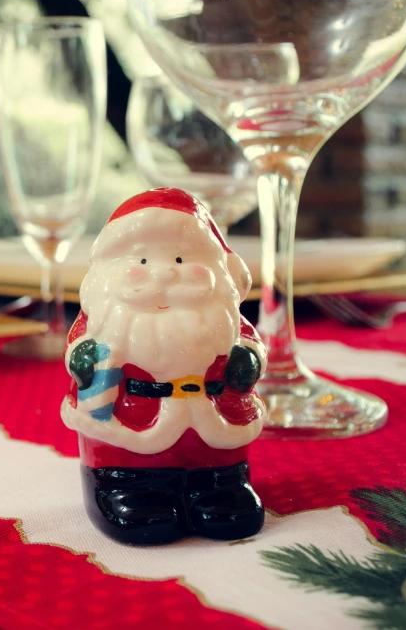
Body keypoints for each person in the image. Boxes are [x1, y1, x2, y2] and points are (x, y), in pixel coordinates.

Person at [62, 187, 265, 544]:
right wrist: (83, 358)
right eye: (141, 261)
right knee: (136, 484)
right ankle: (127, 489)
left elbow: (247, 343)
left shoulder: (224, 318)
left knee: (223, 491)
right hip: (128, 433)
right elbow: (82, 348)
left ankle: (220, 488)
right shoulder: (107, 319)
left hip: (214, 425)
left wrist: (247, 360)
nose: (163, 275)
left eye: (181, 260)